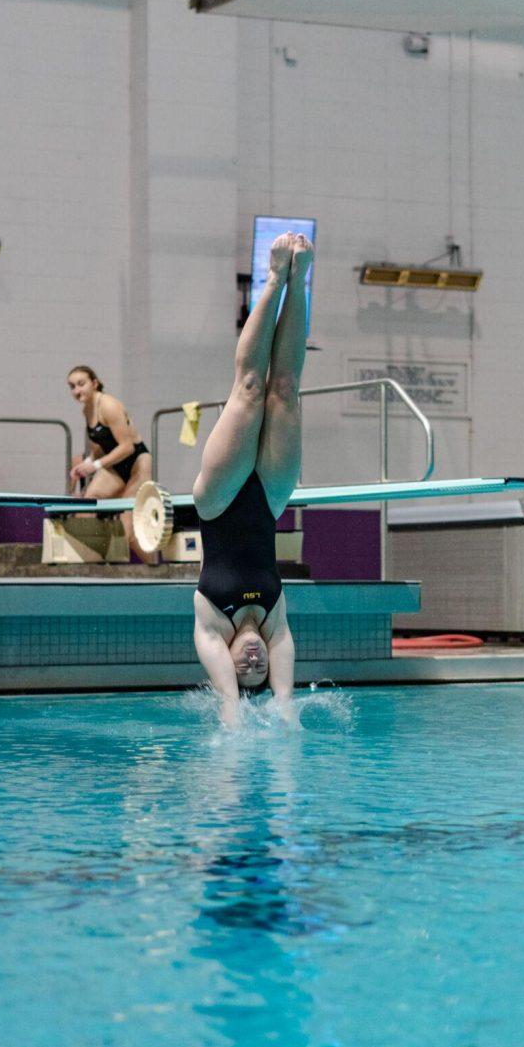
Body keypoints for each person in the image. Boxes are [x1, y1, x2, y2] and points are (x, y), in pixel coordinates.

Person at [193, 232, 314, 728]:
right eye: (257, 669)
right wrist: (281, 709)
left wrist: (234, 705)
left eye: (243, 670)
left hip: (218, 501)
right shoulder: (275, 623)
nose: (251, 664)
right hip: (269, 499)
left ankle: (271, 279)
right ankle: (299, 279)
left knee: (248, 389)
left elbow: (228, 702)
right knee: (284, 389)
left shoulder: (210, 623)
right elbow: (284, 701)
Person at [67, 365, 154, 563]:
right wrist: (85, 464)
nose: (77, 391)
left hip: (136, 464)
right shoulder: (86, 412)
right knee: (86, 508)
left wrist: (95, 466)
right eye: (72, 386)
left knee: (130, 530)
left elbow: (127, 447)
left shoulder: (108, 405)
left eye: (81, 384)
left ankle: (159, 573)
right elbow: (100, 447)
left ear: (95, 383)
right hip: (115, 464)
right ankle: (99, 561)